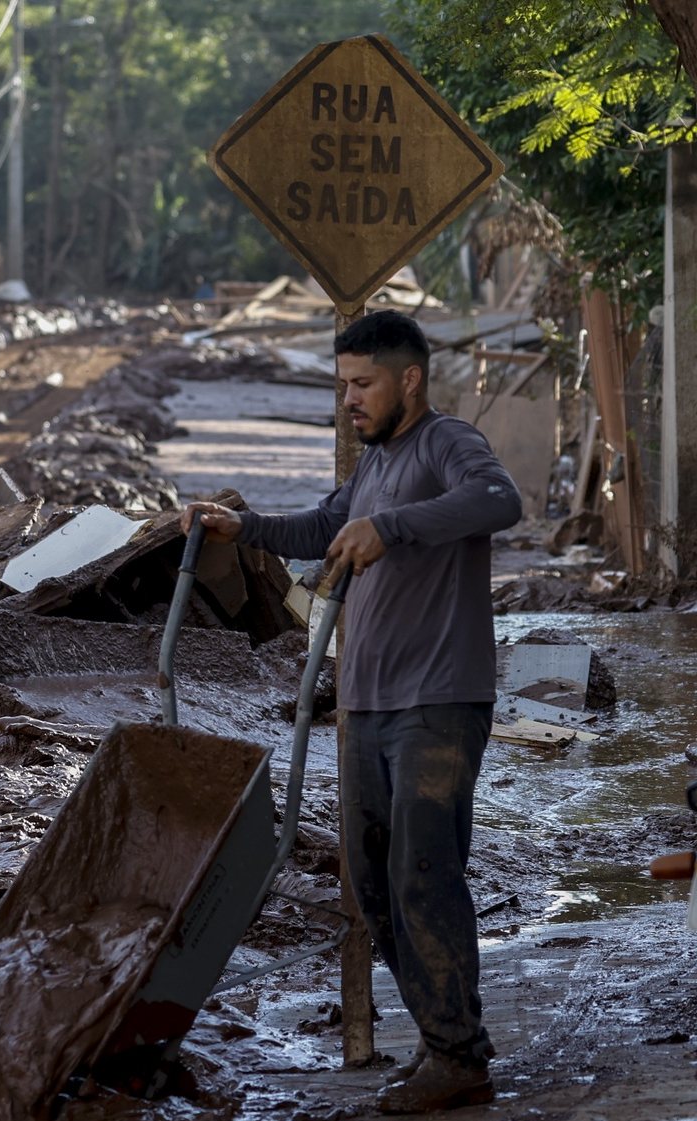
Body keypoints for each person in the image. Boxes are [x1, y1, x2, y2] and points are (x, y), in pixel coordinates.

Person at [179, 309, 521, 1115]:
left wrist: (392, 529)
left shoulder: (446, 443)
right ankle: (451, 1038)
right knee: (372, 886)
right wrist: (245, 526)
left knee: (423, 875)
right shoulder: (372, 468)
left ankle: (457, 1054)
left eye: (362, 384)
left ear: (410, 380)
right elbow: (326, 527)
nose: (349, 402)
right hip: (366, 704)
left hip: (437, 701)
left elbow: (499, 500)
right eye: (341, 386)